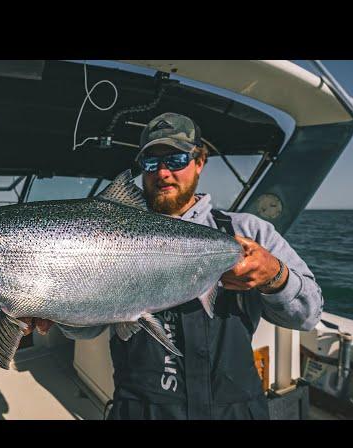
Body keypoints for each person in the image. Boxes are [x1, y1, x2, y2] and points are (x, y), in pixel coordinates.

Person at [21, 112, 323, 420]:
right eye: (151, 163)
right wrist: (59, 311)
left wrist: (275, 275)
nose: (163, 173)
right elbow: (89, 330)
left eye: (176, 159)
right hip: (140, 411)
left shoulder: (249, 232)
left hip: (236, 412)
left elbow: (309, 315)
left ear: (199, 161)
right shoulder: (106, 238)